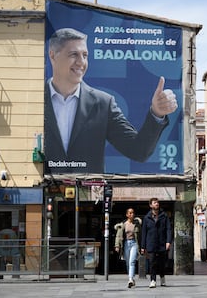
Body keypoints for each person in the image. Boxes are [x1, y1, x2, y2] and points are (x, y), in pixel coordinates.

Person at [44, 27, 178, 174]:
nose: (81, 62)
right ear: (53, 56)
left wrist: (157, 114)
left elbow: (138, 151)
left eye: (85, 55)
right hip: (40, 191)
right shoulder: (35, 99)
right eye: (73, 54)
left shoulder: (103, 104)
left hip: (88, 194)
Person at [141, 197, 172, 288]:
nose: (157, 204)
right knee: (152, 263)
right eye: (154, 203)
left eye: (157, 202)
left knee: (162, 263)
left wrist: (168, 241)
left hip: (162, 243)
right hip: (151, 243)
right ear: (151, 205)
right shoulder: (147, 218)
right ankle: (153, 280)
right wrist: (143, 246)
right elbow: (144, 232)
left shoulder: (164, 215)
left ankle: (162, 278)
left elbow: (168, 229)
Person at [114, 208, 142, 288]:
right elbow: (118, 236)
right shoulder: (123, 224)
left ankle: (130, 279)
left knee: (132, 261)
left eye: (132, 213)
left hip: (134, 243)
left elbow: (140, 235)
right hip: (126, 244)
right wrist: (117, 245)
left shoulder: (137, 224)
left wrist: (142, 246)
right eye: (130, 213)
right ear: (127, 215)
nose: (131, 214)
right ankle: (132, 279)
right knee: (127, 263)